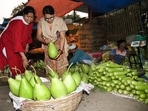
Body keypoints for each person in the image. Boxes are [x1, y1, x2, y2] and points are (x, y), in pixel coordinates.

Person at [0, 6, 36, 77]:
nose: (29, 19)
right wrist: (24, 57)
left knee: (20, 64)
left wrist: (27, 46)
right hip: (8, 43)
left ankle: (20, 79)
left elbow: (28, 35)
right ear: (23, 15)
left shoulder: (31, 23)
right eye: (27, 16)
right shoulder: (17, 24)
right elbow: (17, 42)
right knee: (14, 66)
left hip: (18, 45)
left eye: (31, 17)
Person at [36, 5, 69, 76]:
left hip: (59, 43)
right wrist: (44, 41)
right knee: (50, 66)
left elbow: (62, 37)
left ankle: (63, 79)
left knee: (61, 65)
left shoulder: (60, 21)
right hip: (47, 44)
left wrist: (61, 49)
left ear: (54, 14)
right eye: (47, 18)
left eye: (51, 17)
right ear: (44, 16)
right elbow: (38, 36)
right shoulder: (41, 22)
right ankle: (52, 81)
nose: (49, 20)